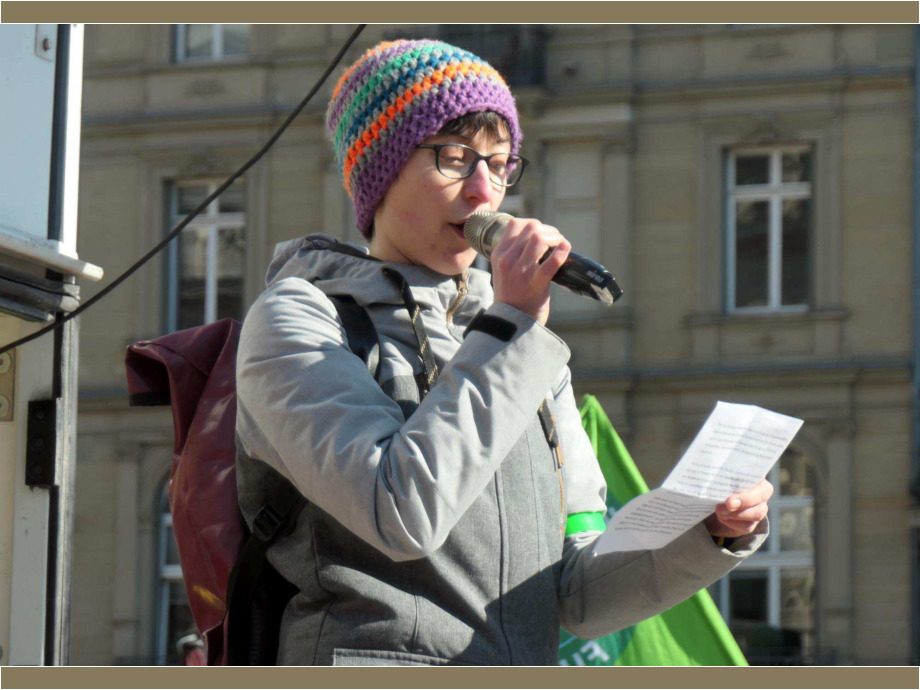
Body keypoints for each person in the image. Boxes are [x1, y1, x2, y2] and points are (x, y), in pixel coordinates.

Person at [235, 38, 771, 667]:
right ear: (378, 171)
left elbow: (573, 593)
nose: (483, 190)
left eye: (499, 163)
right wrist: (512, 323)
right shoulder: (299, 317)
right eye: (455, 159)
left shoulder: (524, 349)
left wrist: (704, 534)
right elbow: (399, 512)